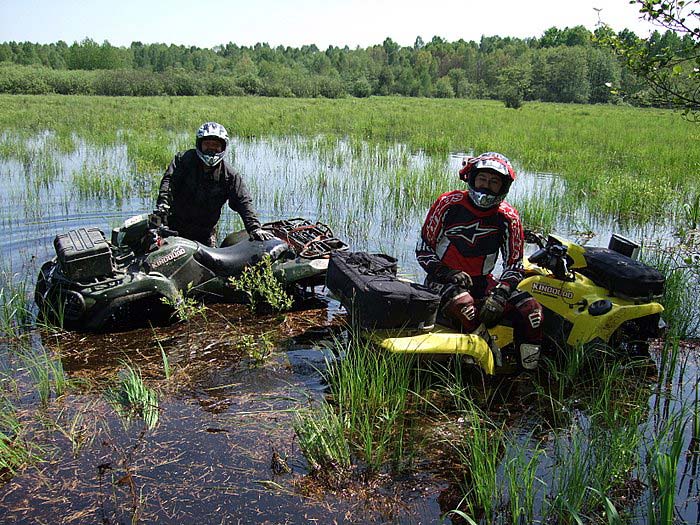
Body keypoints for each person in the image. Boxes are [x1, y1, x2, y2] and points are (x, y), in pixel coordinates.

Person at [416, 152, 543, 370]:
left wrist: (501, 294)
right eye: (482, 179)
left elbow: (514, 265)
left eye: (494, 182)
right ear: (472, 178)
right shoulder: (448, 203)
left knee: (533, 312)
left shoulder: (508, 217)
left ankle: (528, 373)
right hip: (442, 280)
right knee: (466, 308)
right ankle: (486, 360)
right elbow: (423, 250)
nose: (486, 186)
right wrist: (446, 273)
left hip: (483, 281)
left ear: (503, 186)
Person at [153, 121, 274, 247]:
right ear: (200, 145)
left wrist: (254, 228)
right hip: (174, 228)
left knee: (211, 263)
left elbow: (243, 201)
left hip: (204, 232)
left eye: (216, 145)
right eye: (207, 144)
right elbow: (168, 185)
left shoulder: (229, 175)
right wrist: (162, 207)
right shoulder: (183, 160)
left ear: (223, 147)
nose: (211, 148)